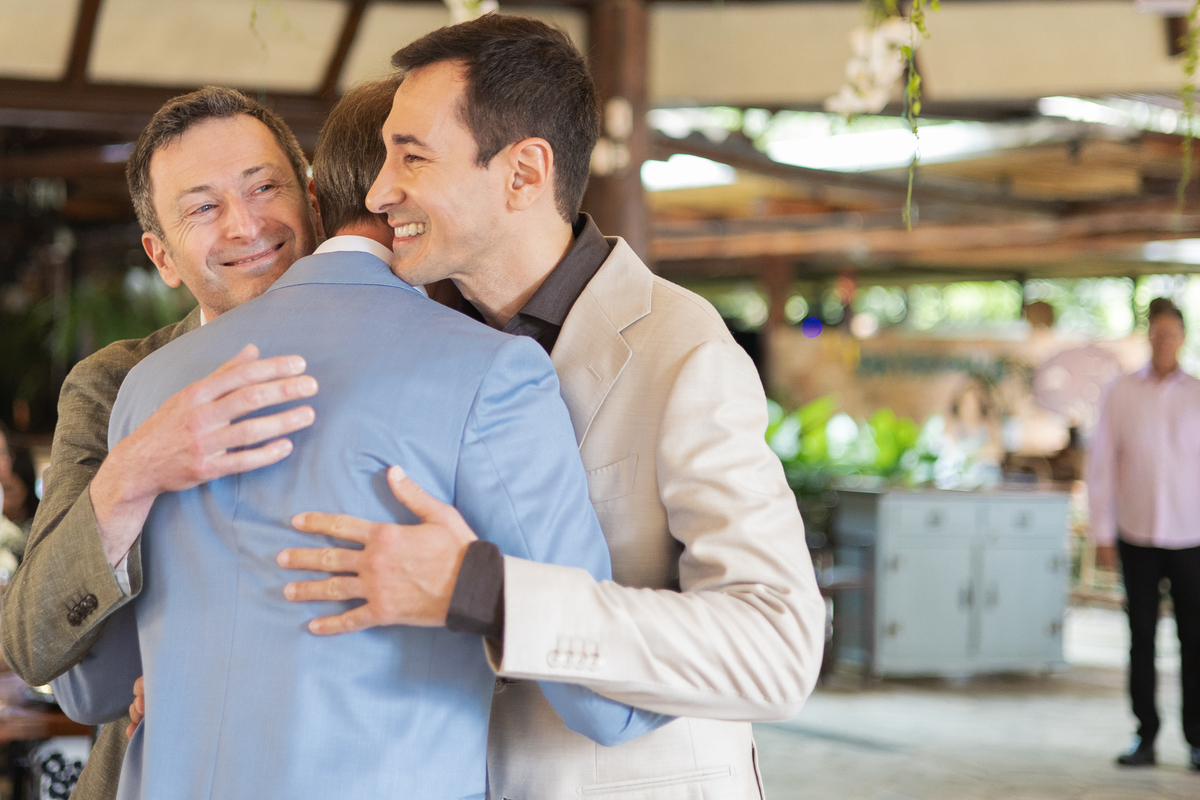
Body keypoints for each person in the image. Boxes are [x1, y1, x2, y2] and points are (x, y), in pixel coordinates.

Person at [52, 77, 660, 799]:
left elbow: (90, 689)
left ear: (316, 197)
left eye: (262, 189)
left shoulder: (150, 386)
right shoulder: (491, 372)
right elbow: (606, 702)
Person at [279, 16, 825, 798]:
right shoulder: (421, 346)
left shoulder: (682, 348)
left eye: (412, 156)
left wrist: (486, 592)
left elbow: (776, 649)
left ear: (524, 173)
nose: (377, 192)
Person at [0, 86, 325, 798]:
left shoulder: (401, 353)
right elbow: (30, 642)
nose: (246, 224)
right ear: (162, 256)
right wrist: (135, 472)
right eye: (203, 208)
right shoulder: (115, 384)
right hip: (154, 767)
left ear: (312, 202)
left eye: (264, 187)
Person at [1088, 296, 1200, 771]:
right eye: (1157, 333)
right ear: (1148, 336)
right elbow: (1102, 463)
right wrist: (1101, 531)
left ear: (1183, 337)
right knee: (1141, 637)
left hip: (1192, 535)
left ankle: (1198, 738)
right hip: (1135, 533)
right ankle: (1145, 733)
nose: (1164, 341)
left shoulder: (1197, 393)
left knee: (1195, 639)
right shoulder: (1121, 393)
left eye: (1172, 333)